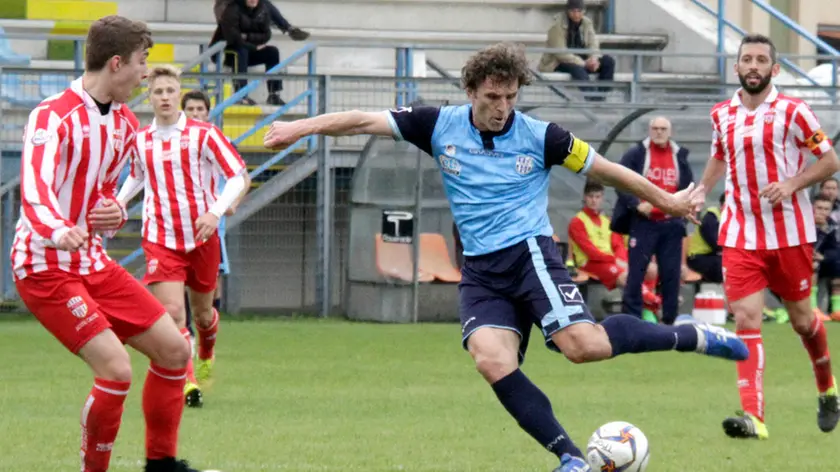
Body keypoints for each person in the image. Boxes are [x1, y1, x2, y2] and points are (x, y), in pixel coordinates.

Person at [263, 42, 748, 472]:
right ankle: (570, 457)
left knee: (583, 347)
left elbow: (608, 170)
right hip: (481, 270)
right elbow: (362, 120)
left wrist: (668, 202)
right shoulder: (437, 125)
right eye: (493, 97)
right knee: (490, 359)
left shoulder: (543, 136)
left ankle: (690, 335)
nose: (502, 108)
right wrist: (298, 127)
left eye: (511, 97)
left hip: (530, 256)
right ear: (470, 90)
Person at [12, 15, 208, 472]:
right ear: (116, 63)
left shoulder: (123, 123)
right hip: (44, 266)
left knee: (175, 351)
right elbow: (35, 192)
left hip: (91, 262)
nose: (145, 74)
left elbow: (104, 193)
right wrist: (60, 230)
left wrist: (113, 212)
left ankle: (161, 464)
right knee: (116, 370)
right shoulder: (53, 115)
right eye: (142, 62)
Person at [698, 33, 840, 440]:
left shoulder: (795, 111)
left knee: (803, 322)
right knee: (746, 318)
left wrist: (792, 184)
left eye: (762, 59)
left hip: (790, 234)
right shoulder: (721, 113)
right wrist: (700, 191)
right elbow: (720, 155)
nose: (754, 66)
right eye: (747, 59)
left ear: (774, 69)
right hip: (740, 233)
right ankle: (754, 417)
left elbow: (829, 160)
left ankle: (827, 387)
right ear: (737, 67)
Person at [116, 66, 249, 408]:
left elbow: (237, 175)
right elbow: (137, 176)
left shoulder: (204, 135)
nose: (164, 97)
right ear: (149, 97)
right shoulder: (141, 139)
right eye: (158, 92)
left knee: (203, 314)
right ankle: (188, 382)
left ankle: (206, 349)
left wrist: (214, 212)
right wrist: (119, 203)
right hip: (161, 237)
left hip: (202, 236)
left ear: (179, 94)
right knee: (173, 311)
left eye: (170, 91)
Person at [179, 89, 248, 370]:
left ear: (208, 113)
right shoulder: (174, 141)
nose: (196, 114)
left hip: (212, 223)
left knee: (212, 280)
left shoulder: (219, 140)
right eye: (191, 109)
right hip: (179, 225)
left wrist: (232, 204)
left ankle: (207, 336)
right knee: (182, 280)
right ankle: (187, 335)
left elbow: (242, 177)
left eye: (200, 109)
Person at [610, 116, 693, 325]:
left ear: (670, 132)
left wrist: (683, 212)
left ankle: (670, 322)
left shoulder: (679, 156)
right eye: (655, 128)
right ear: (649, 130)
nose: (659, 132)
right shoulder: (637, 154)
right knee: (636, 274)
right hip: (644, 223)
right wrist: (636, 204)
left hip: (671, 224)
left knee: (671, 275)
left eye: (663, 128)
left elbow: (688, 186)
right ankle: (631, 321)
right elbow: (619, 179)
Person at [567, 180, 661, 314]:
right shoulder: (577, 221)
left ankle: (645, 307)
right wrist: (615, 261)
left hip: (609, 261)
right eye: (591, 196)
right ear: (585, 197)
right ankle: (653, 302)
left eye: (597, 197)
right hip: (589, 263)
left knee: (650, 269)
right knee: (627, 276)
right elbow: (590, 251)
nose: (594, 200)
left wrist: (622, 261)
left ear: (602, 198)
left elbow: (618, 245)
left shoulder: (606, 221)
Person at [537, 0, 615, 101]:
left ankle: (602, 96)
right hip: (558, 62)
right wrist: (583, 63)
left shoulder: (587, 23)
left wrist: (593, 59)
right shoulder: (556, 26)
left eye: (579, 11)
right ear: (568, 11)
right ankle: (593, 98)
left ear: (584, 11)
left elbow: (593, 43)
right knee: (577, 69)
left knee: (608, 61)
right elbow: (560, 53)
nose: (576, 14)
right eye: (573, 11)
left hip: (582, 60)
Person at [211, 0, 285, 105]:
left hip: (250, 50)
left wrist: (248, 37)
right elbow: (234, 38)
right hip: (230, 52)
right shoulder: (232, 10)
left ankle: (274, 94)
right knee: (242, 50)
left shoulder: (261, 11)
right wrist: (253, 46)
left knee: (272, 52)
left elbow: (266, 35)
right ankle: (241, 95)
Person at [686, 193, 724, 283]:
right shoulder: (711, 218)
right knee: (729, 265)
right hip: (697, 258)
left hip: (710, 256)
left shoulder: (724, 218)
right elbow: (716, 243)